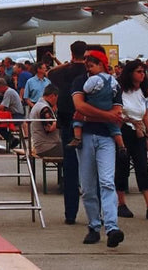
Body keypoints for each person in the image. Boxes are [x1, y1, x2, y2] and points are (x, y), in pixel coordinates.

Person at [72, 49, 125, 248]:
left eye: (91, 62)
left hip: (99, 137)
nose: (87, 64)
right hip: (98, 135)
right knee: (88, 187)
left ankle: (110, 227)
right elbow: (79, 106)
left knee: (106, 182)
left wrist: (88, 116)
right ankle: (95, 225)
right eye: (86, 61)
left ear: (101, 63)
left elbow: (84, 110)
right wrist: (107, 116)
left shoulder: (111, 83)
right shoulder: (81, 81)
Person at [115, 60, 148, 220]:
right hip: (124, 129)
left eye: (143, 72)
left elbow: (145, 114)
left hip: (138, 131)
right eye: (139, 72)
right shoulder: (120, 91)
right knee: (122, 167)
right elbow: (117, 111)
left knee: (142, 166)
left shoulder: (142, 92)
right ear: (130, 74)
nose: (142, 75)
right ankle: (120, 203)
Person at [48, 40, 86, 225]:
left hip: (67, 122)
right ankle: (98, 213)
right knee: (93, 169)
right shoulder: (89, 72)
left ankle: (70, 214)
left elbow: (50, 73)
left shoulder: (62, 72)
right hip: (88, 121)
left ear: (71, 53)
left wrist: (66, 63)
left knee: (70, 169)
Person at [67, 51, 126, 157]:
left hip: (93, 112)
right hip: (107, 110)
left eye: (90, 66)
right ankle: (121, 145)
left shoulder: (91, 79)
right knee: (115, 129)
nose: (88, 69)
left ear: (100, 64)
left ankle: (77, 138)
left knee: (77, 120)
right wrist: (108, 116)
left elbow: (82, 102)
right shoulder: (113, 80)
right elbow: (116, 111)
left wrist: (86, 117)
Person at [29, 84, 62, 157]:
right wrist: (62, 119)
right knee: (72, 152)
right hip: (47, 146)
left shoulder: (38, 105)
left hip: (41, 145)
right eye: (57, 98)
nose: (56, 101)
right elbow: (50, 128)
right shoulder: (44, 108)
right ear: (52, 96)